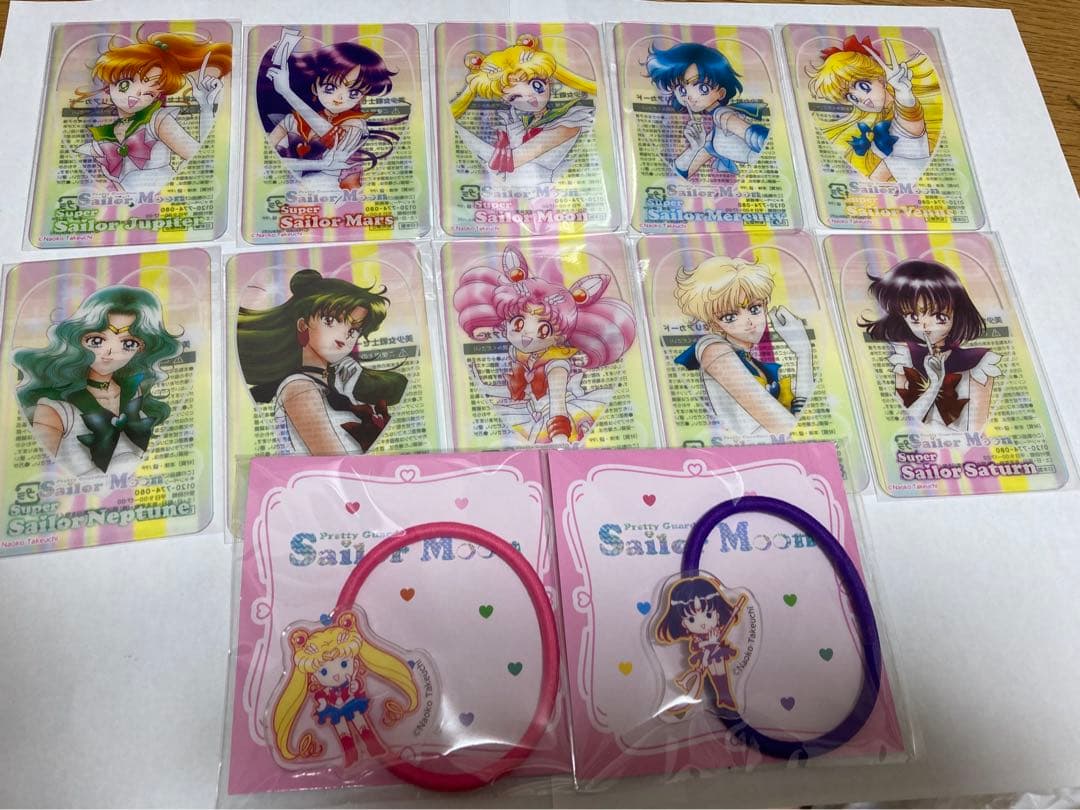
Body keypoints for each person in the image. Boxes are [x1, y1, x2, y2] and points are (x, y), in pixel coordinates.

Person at [453, 245, 636, 445]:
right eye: (518, 324)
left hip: (558, 422)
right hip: (533, 415)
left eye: (543, 330)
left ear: (559, 337)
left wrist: (559, 439)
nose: (527, 335)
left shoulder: (556, 364)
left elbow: (558, 406)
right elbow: (521, 392)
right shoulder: (520, 355)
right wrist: (484, 387)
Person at [13, 286, 181, 475]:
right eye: (97, 341)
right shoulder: (55, 408)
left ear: (142, 348)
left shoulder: (135, 391)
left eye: (128, 343)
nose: (110, 352)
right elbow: (41, 475)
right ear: (78, 338)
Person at [236, 269, 407, 455]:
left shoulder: (334, 385)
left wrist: (348, 394)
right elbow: (335, 460)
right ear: (303, 325)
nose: (344, 335)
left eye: (353, 330)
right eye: (330, 320)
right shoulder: (300, 388)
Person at [674, 256, 815, 436]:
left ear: (765, 306)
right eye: (730, 317)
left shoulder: (755, 363)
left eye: (754, 309)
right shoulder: (714, 348)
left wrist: (803, 351)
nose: (748, 322)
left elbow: (803, 416)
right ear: (715, 324)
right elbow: (788, 428)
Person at [74, 31, 231, 192]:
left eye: (149, 93)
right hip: (127, 201)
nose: (135, 96)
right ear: (109, 83)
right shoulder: (112, 130)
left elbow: (197, 153)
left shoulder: (157, 120)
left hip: (162, 194)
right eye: (126, 83)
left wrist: (206, 109)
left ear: (156, 97)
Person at [859, 259, 999, 432]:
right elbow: (904, 422)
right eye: (913, 317)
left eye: (938, 316)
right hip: (915, 443)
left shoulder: (978, 362)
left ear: (957, 312)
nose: (925, 326)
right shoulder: (905, 356)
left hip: (960, 445)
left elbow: (978, 427)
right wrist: (934, 384)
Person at [270, 611, 418, 767]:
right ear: (313, 677)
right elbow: (321, 698)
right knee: (342, 731)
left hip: (352, 703)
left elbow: (356, 688)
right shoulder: (322, 691)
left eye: (344, 664)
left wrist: (355, 686)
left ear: (355, 663)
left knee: (361, 724)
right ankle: (350, 755)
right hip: (334, 710)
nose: (335, 675)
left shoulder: (351, 681)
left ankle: (374, 747)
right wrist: (322, 704)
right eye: (324, 672)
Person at [258, 35, 404, 190]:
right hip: (285, 188)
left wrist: (287, 93)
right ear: (315, 87)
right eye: (330, 88)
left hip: (327, 190)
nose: (340, 98)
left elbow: (333, 137)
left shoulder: (355, 124)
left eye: (353, 93)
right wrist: (319, 164)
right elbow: (267, 155)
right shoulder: (292, 120)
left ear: (362, 96)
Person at [449, 34, 596, 186]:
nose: (530, 98)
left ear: (548, 80)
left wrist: (461, 132)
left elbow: (512, 160)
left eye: (536, 85)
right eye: (514, 97)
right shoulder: (523, 123)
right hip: (509, 189)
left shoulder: (570, 120)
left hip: (547, 190)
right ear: (506, 101)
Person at [807, 35, 941, 185]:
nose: (861, 99)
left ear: (880, 79)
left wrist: (904, 94)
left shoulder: (901, 109)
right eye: (852, 97)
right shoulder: (881, 120)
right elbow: (892, 161)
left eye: (863, 86)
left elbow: (912, 127)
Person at [645, 41, 769, 177]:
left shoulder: (723, 115)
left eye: (702, 88)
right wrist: (694, 148)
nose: (690, 97)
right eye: (682, 90)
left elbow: (758, 138)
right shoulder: (713, 136)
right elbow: (680, 174)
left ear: (721, 92)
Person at [654, 575, 747, 716]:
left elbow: (717, 638)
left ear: (717, 614)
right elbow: (697, 645)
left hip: (717, 652)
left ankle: (725, 696)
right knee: (715, 673)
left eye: (708, 615)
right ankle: (722, 697)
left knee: (721, 671)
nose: (702, 623)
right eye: (691, 619)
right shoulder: (697, 638)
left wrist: (714, 641)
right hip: (706, 655)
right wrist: (710, 642)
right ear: (683, 623)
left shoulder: (716, 630)